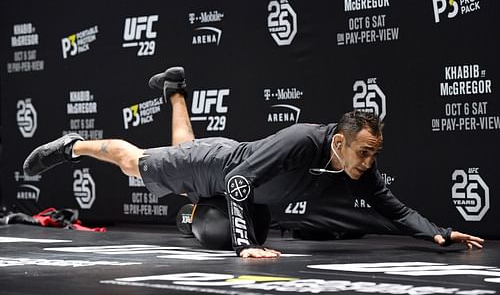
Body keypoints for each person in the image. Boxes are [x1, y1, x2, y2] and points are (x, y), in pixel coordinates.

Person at [23, 66, 484, 258]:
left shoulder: (355, 166)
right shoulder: (304, 140)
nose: (368, 163)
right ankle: (73, 145)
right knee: (135, 163)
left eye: (374, 154)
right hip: (221, 165)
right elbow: (240, 178)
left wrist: (439, 232)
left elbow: (393, 208)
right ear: (340, 143)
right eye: (363, 152)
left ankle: (175, 91)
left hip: (223, 167)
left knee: (184, 176)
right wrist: (245, 244)